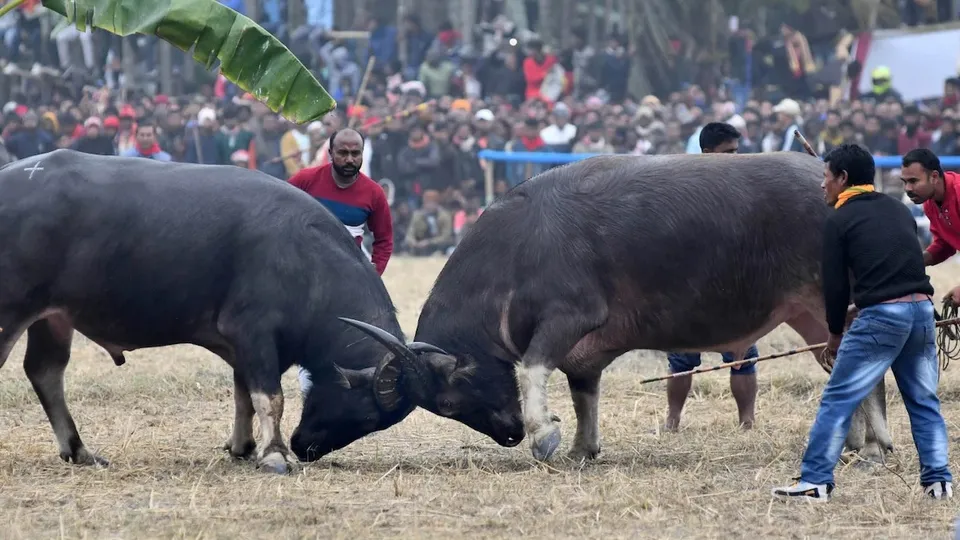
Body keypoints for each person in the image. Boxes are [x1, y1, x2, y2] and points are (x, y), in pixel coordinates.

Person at [773, 143, 952, 502]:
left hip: (883, 318)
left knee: (838, 398)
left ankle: (815, 480)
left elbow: (836, 287)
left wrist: (835, 334)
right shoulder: (899, 211)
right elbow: (907, 267)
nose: (822, 186)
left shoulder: (838, 220)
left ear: (842, 178)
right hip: (920, 312)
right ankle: (939, 482)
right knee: (923, 401)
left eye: (826, 177)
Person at [663, 121, 760, 432]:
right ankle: (672, 421)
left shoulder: (746, 189)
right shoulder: (681, 188)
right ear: (707, 153)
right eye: (727, 152)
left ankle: (747, 422)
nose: (735, 157)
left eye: (737, 151)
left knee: (743, 356)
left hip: (733, 289)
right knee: (680, 361)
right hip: (687, 291)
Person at [287, 128, 394, 396]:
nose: (349, 159)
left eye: (355, 154)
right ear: (330, 153)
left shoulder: (374, 193)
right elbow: (277, 216)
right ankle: (309, 389)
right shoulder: (305, 180)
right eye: (343, 153)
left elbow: (384, 240)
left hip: (348, 283)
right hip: (303, 277)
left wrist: (373, 273)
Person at [900, 148, 960, 303]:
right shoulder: (930, 204)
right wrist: (909, 264)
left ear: (934, 176)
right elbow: (944, 244)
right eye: (905, 182)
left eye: (913, 181)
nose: (908, 189)